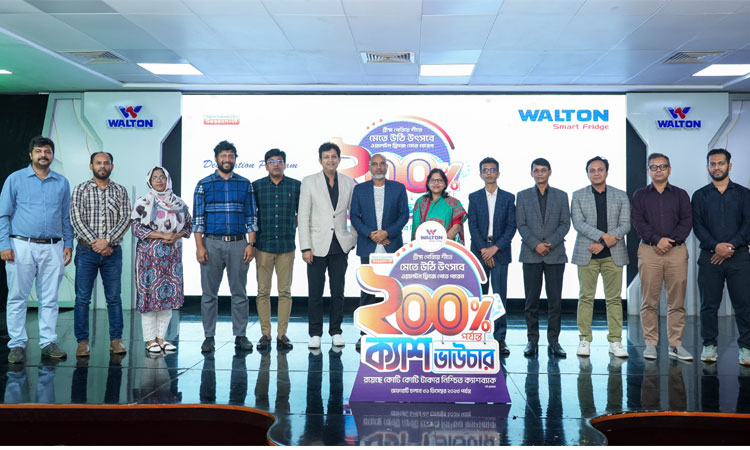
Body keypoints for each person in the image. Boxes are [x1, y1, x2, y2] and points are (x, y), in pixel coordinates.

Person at [0, 136, 74, 363]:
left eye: (47, 151)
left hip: (53, 247)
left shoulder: (61, 182)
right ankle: (17, 344)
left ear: (52, 155)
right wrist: (4, 245)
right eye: (39, 151)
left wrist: (68, 243)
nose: (43, 155)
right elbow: (3, 214)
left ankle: (48, 342)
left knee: (50, 299)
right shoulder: (15, 179)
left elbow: (66, 216)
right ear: (31, 154)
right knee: (17, 297)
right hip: (21, 245)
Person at [193, 140, 257, 353]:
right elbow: (198, 220)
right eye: (223, 156)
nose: (227, 160)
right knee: (209, 294)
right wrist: (200, 247)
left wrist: (251, 244)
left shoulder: (245, 184)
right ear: (216, 159)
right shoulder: (204, 184)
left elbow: (251, 217)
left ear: (235, 158)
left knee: (239, 293)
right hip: (211, 244)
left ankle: (240, 336)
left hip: (239, 244)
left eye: (231, 156)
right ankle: (208, 337)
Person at [631, 153, 693, 361]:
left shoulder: (681, 195)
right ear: (648, 170)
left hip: (676, 251)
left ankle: (675, 345)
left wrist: (669, 242)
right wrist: (658, 240)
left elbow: (686, 221)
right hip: (649, 251)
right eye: (654, 167)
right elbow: (638, 221)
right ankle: (651, 343)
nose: (658, 170)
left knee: (676, 301)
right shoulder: (640, 195)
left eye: (662, 166)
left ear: (669, 169)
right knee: (649, 300)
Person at [691, 148, 750, 365]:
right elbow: (698, 226)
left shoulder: (744, 194)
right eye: (713, 164)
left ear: (729, 166)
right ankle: (709, 345)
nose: (717, 167)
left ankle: (746, 348)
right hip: (710, 257)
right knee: (708, 305)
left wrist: (729, 247)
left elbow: (748, 225)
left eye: (721, 163)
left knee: (744, 305)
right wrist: (716, 247)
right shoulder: (699, 195)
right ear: (708, 167)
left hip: (739, 256)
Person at [70, 152, 131, 357]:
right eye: (98, 163)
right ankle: (82, 342)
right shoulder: (80, 189)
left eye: (106, 163)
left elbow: (125, 219)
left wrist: (107, 241)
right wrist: (96, 244)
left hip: (112, 252)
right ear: (91, 166)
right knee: (82, 299)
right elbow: (76, 219)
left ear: (112, 166)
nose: (102, 166)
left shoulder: (120, 191)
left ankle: (116, 340)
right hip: (86, 251)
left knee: (114, 298)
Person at [298, 142, 357, 349]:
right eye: (326, 157)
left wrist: (352, 239)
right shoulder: (309, 181)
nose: (330, 160)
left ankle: (336, 331)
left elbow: (354, 213)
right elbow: (303, 216)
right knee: (315, 292)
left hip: (340, 245)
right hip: (315, 246)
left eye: (333, 157)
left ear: (339, 159)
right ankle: (315, 333)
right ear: (320, 160)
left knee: (338, 291)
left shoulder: (348, 182)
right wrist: (305, 247)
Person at [571, 156, 630, 359]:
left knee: (614, 299)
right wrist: (604, 236)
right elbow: (578, 223)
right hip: (586, 253)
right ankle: (584, 339)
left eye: (600, 169)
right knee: (585, 297)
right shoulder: (578, 195)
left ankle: (615, 341)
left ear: (606, 172)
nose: (596, 173)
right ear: (587, 173)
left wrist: (603, 244)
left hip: (613, 254)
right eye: (592, 170)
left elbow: (625, 224)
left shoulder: (620, 195)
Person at [350, 153, 409, 350]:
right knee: (368, 291)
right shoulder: (360, 189)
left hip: (392, 245)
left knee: (393, 291)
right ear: (369, 167)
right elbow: (354, 217)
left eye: (382, 164)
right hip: (368, 246)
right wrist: (371, 234)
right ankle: (365, 333)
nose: (378, 167)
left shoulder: (398, 188)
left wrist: (386, 233)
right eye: (374, 164)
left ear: (387, 167)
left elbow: (404, 215)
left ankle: (391, 331)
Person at [132, 166, 192, 354]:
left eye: (162, 177)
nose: (159, 181)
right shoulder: (143, 202)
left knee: (167, 298)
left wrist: (176, 236)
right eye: (155, 178)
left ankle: (161, 339)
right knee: (150, 298)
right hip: (148, 258)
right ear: (149, 181)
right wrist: (161, 235)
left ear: (168, 179)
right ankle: (150, 340)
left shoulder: (178, 202)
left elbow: (189, 226)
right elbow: (136, 228)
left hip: (172, 257)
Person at [516, 158, 570, 358]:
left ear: (550, 172)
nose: (540, 173)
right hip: (531, 254)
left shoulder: (561, 196)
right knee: (531, 302)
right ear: (532, 173)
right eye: (536, 170)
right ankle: (532, 340)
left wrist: (549, 244)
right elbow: (521, 224)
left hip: (555, 254)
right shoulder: (522, 196)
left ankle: (554, 341)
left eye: (543, 170)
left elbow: (565, 224)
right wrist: (536, 244)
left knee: (555, 302)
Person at [252, 148, 300, 352]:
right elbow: (252, 216)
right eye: (271, 161)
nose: (276, 164)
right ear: (266, 166)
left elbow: (301, 215)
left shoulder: (296, 186)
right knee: (263, 292)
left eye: (279, 161)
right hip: (263, 246)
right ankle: (266, 334)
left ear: (285, 164)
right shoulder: (257, 186)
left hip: (286, 246)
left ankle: (282, 334)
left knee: (285, 292)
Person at [467, 158, 515, 355]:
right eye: (485, 170)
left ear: (498, 173)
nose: (489, 173)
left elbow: (511, 227)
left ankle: (500, 338)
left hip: (500, 252)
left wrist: (494, 249)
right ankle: (478, 335)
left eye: (492, 169)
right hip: (479, 253)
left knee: (499, 296)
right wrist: (484, 250)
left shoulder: (508, 198)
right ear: (480, 174)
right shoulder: (474, 197)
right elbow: (472, 226)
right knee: (478, 296)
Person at [411, 168, 467, 241]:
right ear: (428, 183)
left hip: (447, 244)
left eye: (440, 180)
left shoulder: (454, 203)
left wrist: (442, 242)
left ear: (445, 183)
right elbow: (416, 226)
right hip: (423, 243)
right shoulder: (421, 202)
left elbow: (456, 227)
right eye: (433, 180)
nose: (436, 183)